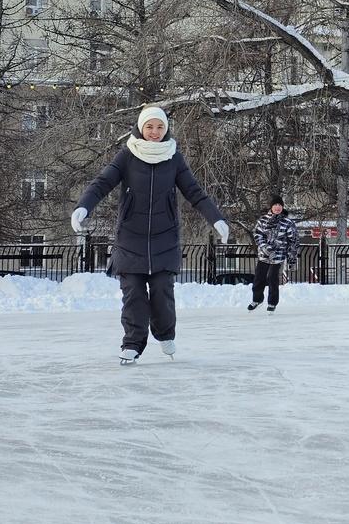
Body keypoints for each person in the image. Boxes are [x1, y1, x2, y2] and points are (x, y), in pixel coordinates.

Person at [71, 106, 229, 365]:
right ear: (140, 128)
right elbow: (102, 183)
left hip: (164, 237)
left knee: (161, 291)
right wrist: (83, 206)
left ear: (165, 129)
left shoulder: (174, 158)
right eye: (149, 127)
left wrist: (217, 218)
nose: (154, 132)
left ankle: (165, 334)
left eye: (159, 127)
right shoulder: (127, 155)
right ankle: (132, 343)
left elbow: (195, 192)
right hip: (130, 238)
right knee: (132, 292)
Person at [248, 195, 299, 313]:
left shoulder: (288, 222)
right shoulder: (263, 220)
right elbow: (257, 234)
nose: (277, 207)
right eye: (275, 205)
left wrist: (292, 256)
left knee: (272, 278)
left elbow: (294, 240)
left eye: (280, 205)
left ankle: (272, 303)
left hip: (278, 255)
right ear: (271, 207)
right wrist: (264, 247)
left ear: (282, 207)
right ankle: (257, 299)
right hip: (264, 254)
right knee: (259, 278)